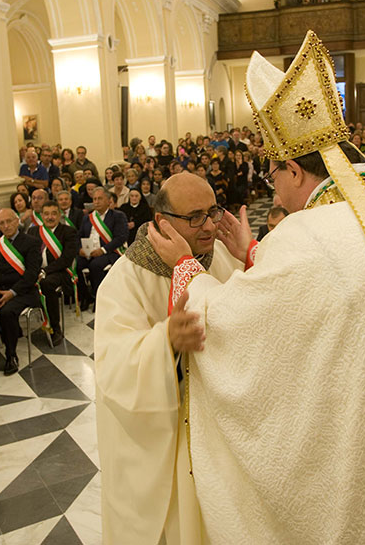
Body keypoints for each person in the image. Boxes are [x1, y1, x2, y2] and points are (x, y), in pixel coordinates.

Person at [146, 32, 365, 543]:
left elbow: (233, 323)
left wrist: (186, 271)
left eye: (273, 176)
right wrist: (255, 255)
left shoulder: (306, 232)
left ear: (291, 167)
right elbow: (347, 286)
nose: (274, 188)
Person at [95, 173, 245, 544]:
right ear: (163, 222)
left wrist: (252, 257)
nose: (209, 225)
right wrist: (164, 343)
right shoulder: (125, 280)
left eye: (213, 211)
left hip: (223, 431)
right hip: (169, 437)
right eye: (195, 216)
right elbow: (113, 368)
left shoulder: (222, 256)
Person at [0, 208, 43, 374]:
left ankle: (11, 356)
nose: (6, 226)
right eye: (1, 223)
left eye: (9, 221)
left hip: (23, 292)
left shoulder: (31, 242)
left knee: (7, 312)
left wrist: (12, 293)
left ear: (17, 221)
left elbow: (31, 275)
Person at [29, 200, 78, 339]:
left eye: (53, 214)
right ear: (42, 216)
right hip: (38, 271)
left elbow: (66, 259)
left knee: (46, 283)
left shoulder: (69, 231)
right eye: (46, 214)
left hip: (61, 271)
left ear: (59, 215)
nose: (50, 217)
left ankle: (55, 327)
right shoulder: (33, 231)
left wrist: (45, 271)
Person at [77, 187, 128, 310]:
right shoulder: (87, 218)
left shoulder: (117, 216)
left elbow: (121, 237)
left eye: (100, 198)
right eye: (94, 199)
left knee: (95, 265)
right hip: (89, 251)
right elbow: (79, 236)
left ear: (108, 201)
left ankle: (99, 298)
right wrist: (80, 249)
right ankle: (85, 296)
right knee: (77, 264)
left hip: (109, 252)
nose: (96, 202)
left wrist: (103, 250)